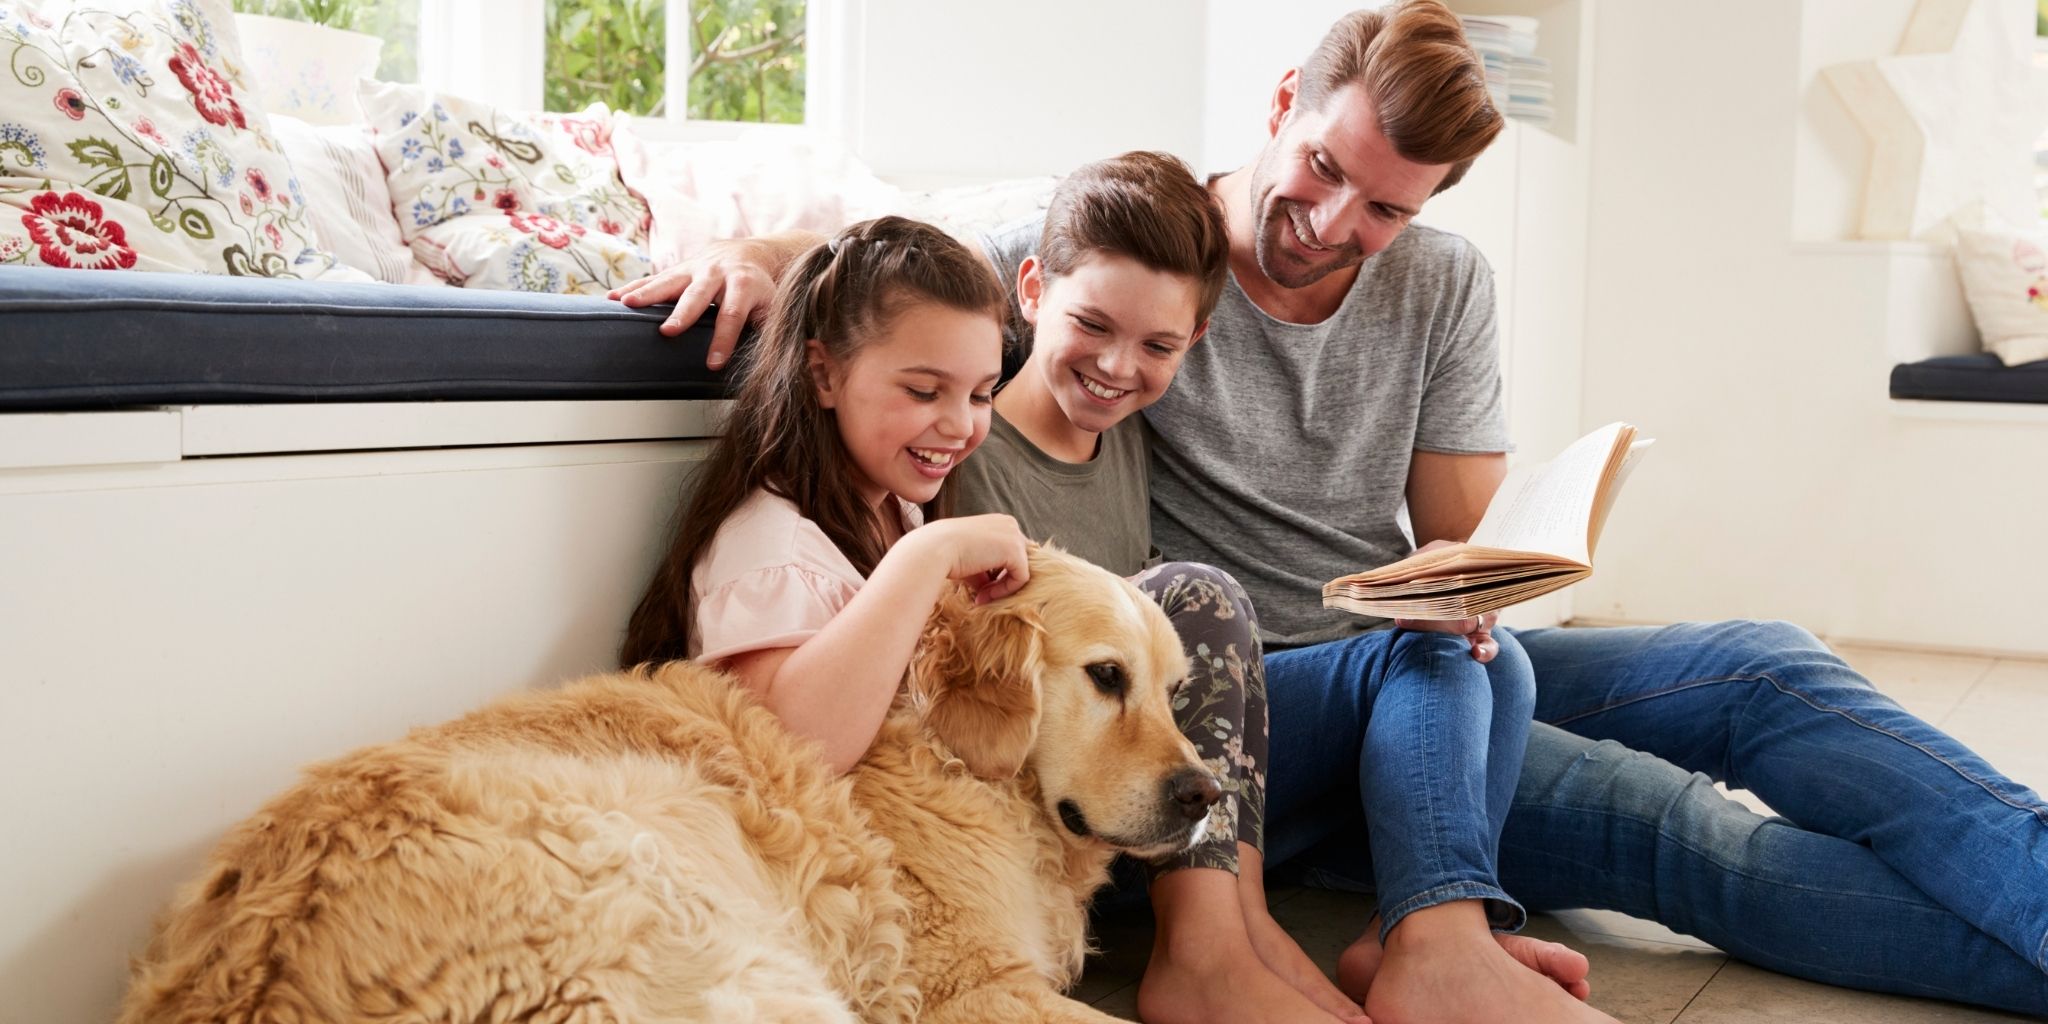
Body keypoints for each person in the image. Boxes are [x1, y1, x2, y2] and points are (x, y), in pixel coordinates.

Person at [609, 4, 2048, 1017]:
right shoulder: (1133, 247)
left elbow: (1460, 539)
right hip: (1255, 703)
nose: (1331, 223)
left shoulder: (1442, 288)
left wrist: (1479, 583)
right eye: (1322, 173)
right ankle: (1441, 932)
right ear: (1283, 107)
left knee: (1762, 665)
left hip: (1402, 671)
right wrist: (753, 248)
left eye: (1384, 209)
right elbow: (889, 253)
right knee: (1687, 838)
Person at [946, 149, 1609, 1024]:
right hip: (1071, 803)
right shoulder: (965, 453)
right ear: (1029, 291)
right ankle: (1233, 950)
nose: (1117, 365)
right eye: (1093, 326)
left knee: (1490, 660)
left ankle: (1404, 934)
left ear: (1195, 344)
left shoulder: (1128, 435)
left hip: (1172, 783)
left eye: (1158, 346)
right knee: (1206, 594)